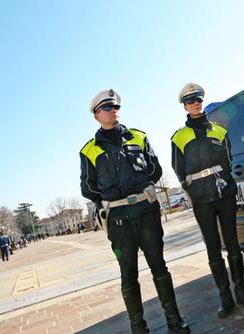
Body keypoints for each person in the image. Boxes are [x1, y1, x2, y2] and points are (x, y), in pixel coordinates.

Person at [79, 89, 189, 334]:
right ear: (96, 116)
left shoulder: (138, 137)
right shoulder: (89, 151)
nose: (113, 111)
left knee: (159, 267)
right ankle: (139, 328)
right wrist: (114, 198)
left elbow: (155, 170)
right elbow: (89, 188)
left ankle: (175, 320)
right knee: (128, 274)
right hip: (119, 222)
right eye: (107, 108)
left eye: (116, 107)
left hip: (146, 214)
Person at [171, 83, 244, 319]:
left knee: (233, 243)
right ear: (184, 106)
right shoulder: (179, 137)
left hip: (223, 194)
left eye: (198, 99)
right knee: (212, 249)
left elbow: (227, 161)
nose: (195, 104)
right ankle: (225, 296)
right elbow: (179, 172)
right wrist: (194, 192)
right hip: (202, 199)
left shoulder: (219, 130)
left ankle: (241, 291)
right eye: (190, 101)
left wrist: (226, 184)